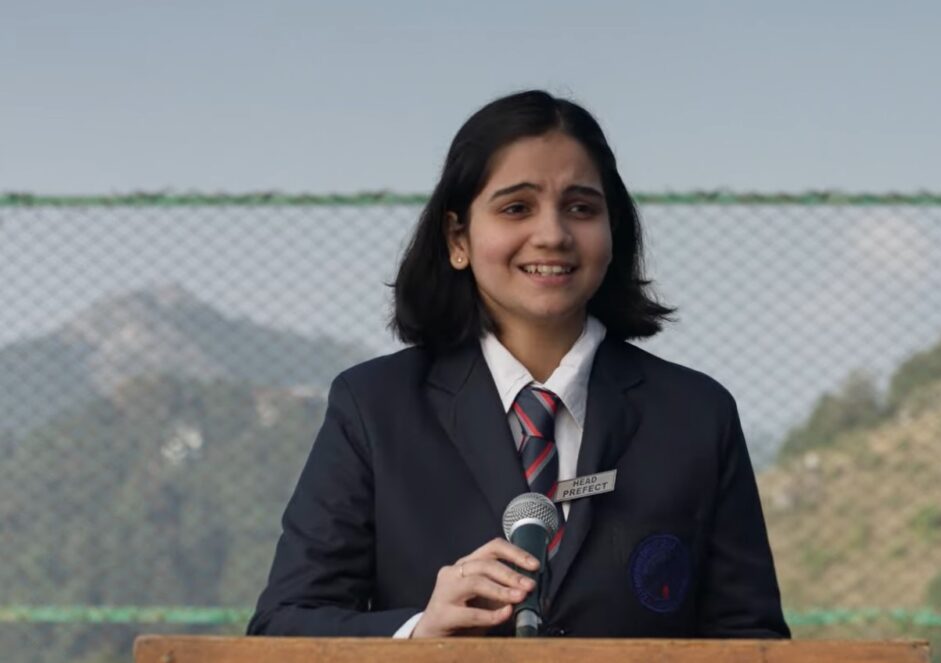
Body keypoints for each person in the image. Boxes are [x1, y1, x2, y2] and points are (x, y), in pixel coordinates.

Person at [246, 90, 789, 639]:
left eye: (581, 208)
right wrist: (418, 635)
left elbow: (752, 635)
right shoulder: (374, 406)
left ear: (612, 230)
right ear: (458, 237)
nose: (552, 234)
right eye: (516, 208)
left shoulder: (697, 415)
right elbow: (282, 626)